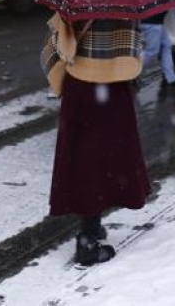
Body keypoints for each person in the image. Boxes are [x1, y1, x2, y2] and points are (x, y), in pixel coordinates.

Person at [46, 16, 151, 265]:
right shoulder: (124, 6)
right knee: (107, 158)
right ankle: (88, 238)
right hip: (112, 90)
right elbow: (132, 58)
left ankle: (91, 224)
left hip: (79, 89)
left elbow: (56, 42)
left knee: (83, 157)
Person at [141, 11, 175, 86]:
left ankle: (171, 78)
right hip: (152, 23)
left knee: (166, 46)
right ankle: (132, 72)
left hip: (156, 22)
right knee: (152, 52)